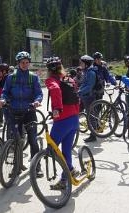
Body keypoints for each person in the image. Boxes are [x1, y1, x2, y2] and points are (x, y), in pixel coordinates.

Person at [0, 51, 43, 177]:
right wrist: (3, 99)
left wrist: (37, 101)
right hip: (14, 111)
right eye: (22, 62)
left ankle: (37, 166)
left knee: (32, 140)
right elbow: (5, 92)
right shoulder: (10, 78)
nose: (25, 65)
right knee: (16, 140)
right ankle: (16, 167)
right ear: (18, 63)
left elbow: (39, 93)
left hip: (29, 112)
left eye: (27, 62)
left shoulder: (33, 77)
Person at [45, 56, 80, 189]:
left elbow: (55, 90)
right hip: (74, 119)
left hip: (62, 121)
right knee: (66, 150)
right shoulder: (69, 79)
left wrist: (57, 109)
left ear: (49, 70)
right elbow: (77, 97)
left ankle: (68, 170)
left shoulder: (51, 80)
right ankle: (67, 176)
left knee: (51, 148)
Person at [78, 55, 97, 142]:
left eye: (81, 63)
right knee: (78, 113)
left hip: (89, 96)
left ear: (86, 64)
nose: (80, 64)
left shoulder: (91, 73)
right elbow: (84, 84)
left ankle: (93, 135)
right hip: (84, 96)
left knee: (90, 116)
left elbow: (89, 86)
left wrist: (80, 92)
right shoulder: (86, 72)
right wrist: (78, 90)